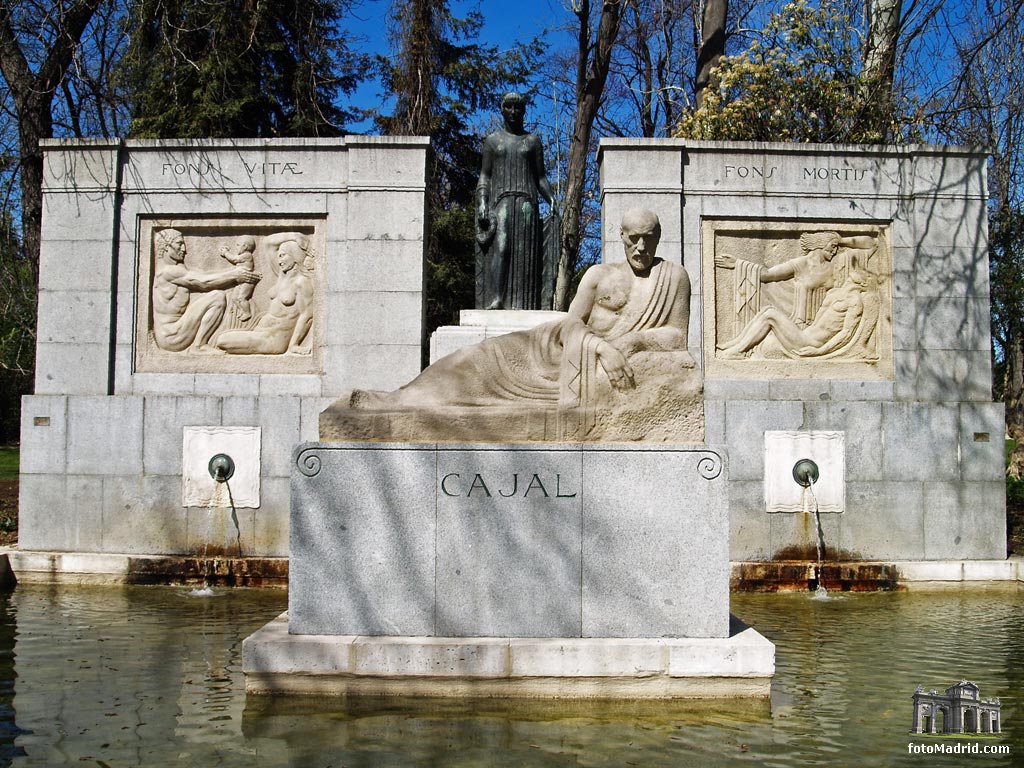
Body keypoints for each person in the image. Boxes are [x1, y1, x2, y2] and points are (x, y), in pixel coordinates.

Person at [349, 209, 692, 438]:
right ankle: (395, 400)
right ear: (621, 236)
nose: (641, 246)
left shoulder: (674, 277)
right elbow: (572, 324)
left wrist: (633, 344)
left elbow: (677, 336)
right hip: (551, 350)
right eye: (634, 238)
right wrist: (602, 346)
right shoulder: (599, 275)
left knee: (479, 394)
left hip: (585, 374)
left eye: (649, 238)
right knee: (474, 361)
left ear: (659, 237)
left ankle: (402, 406)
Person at [476, 92, 556, 310]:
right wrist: (482, 201)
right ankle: (497, 298)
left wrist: (551, 199)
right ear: (502, 109)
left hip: (526, 202)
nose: (513, 112)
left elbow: (541, 178)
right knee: (501, 248)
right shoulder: (493, 141)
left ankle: (523, 302)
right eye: (509, 107)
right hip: (500, 201)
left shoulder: (532, 142)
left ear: (524, 111)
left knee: (526, 253)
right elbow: (485, 175)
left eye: (518, 108)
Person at [716, 231, 877, 327]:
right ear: (818, 244)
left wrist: (840, 240)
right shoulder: (800, 264)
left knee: (769, 319)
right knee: (768, 316)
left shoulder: (839, 264)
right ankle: (732, 351)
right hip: (800, 325)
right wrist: (738, 264)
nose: (835, 250)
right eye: (831, 246)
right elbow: (767, 275)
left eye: (836, 247)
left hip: (828, 326)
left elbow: (873, 244)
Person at [716, 268, 881, 360]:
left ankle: (738, 350)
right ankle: (736, 344)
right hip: (803, 335)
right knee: (767, 311)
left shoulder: (855, 302)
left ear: (861, 283)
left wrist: (820, 352)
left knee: (770, 314)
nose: (846, 279)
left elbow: (846, 334)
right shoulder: (835, 293)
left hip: (810, 343)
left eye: (851, 279)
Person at [151, 228, 260, 352]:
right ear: (166, 246)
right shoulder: (168, 271)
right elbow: (203, 282)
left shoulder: (176, 267)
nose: (184, 249)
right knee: (217, 297)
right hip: (172, 336)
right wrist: (235, 274)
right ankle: (199, 346)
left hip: (176, 330)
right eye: (179, 244)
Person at [217, 232, 316, 355]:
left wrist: (293, 345)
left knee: (222, 341)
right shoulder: (282, 276)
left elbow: (307, 316)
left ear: (294, 256)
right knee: (222, 338)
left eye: (283, 256)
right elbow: (268, 242)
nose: (279, 261)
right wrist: (295, 236)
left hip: (274, 339)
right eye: (278, 256)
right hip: (260, 333)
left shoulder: (302, 282)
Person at [219, 235, 258, 323]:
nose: (236, 248)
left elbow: (235, 259)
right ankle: (242, 310)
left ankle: (247, 312)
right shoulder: (244, 255)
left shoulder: (247, 255)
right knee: (234, 298)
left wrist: (226, 253)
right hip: (240, 282)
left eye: (238, 245)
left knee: (241, 298)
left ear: (245, 246)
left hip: (247, 282)